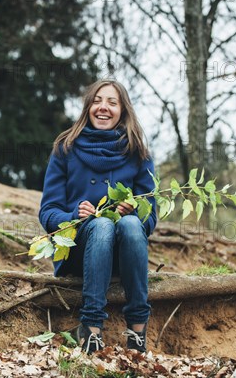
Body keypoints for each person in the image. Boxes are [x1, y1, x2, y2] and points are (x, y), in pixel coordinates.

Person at [39, 79, 157, 355]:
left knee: (128, 223)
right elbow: (47, 213)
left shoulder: (138, 152)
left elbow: (150, 218)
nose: (103, 107)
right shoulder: (65, 148)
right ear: (88, 107)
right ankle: (91, 330)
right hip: (77, 252)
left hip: (122, 256)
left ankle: (138, 331)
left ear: (123, 111)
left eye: (112, 103)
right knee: (101, 224)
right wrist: (73, 215)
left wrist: (135, 212)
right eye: (97, 101)